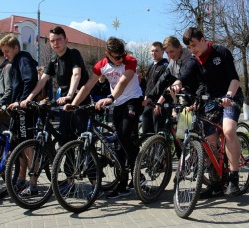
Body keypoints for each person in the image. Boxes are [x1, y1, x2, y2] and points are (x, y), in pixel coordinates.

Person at [66, 36, 144, 199]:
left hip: (133, 100)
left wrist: (110, 98)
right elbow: (87, 87)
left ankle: (138, 168)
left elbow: (123, 82)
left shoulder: (130, 61)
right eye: (117, 57)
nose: (121, 59)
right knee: (118, 144)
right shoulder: (101, 66)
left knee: (123, 136)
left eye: (122, 55)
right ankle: (122, 185)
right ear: (107, 54)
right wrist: (73, 104)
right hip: (118, 103)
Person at [170, 27, 244, 197]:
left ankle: (233, 177)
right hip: (211, 100)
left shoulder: (221, 52)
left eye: (194, 45)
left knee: (228, 130)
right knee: (209, 141)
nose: (192, 50)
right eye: (189, 48)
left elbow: (234, 78)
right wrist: (177, 84)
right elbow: (184, 76)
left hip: (230, 96)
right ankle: (216, 181)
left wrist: (229, 96)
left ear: (203, 40)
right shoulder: (195, 61)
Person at [20, 26, 90, 196]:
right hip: (65, 103)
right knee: (66, 141)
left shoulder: (73, 53)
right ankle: (71, 180)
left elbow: (76, 75)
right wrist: (29, 98)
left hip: (80, 100)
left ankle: (95, 183)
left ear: (65, 40)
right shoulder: (53, 60)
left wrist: (70, 96)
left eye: (59, 39)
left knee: (84, 141)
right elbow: (42, 81)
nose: (55, 43)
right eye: (52, 40)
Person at [0, 34, 38, 196]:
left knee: (27, 147)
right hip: (17, 109)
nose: (5, 55)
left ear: (16, 48)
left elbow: (30, 80)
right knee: (19, 147)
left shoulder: (23, 59)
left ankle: (34, 184)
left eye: (7, 51)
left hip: (25, 109)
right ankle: (22, 179)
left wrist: (22, 101)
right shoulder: (14, 61)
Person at [141, 41, 168, 134]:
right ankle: (148, 148)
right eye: (152, 51)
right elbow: (148, 84)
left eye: (156, 51)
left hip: (159, 104)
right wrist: (145, 97)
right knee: (146, 131)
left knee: (158, 132)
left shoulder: (165, 65)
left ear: (162, 51)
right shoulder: (150, 66)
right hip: (148, 103)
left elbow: (165, 86)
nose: (154, 53)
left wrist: (160, 103)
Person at [0, 50, 13, 132]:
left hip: (5, 106)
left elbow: (8, 90)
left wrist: (0, 102)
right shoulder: (2, 68)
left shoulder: (7, 67)